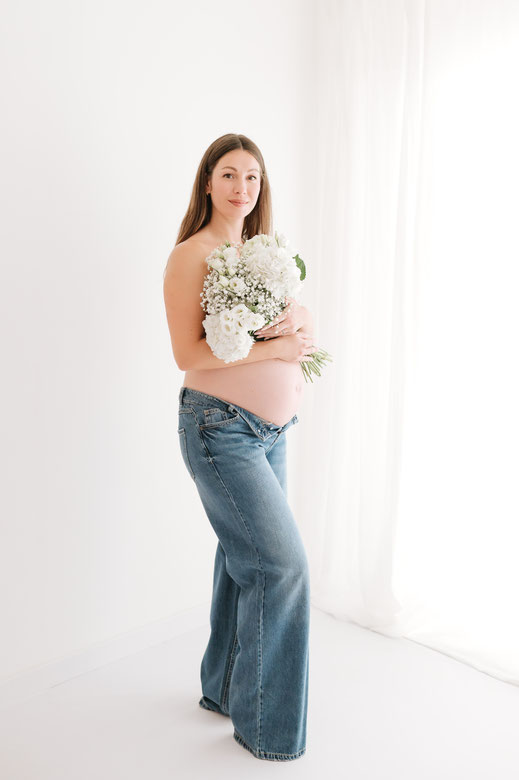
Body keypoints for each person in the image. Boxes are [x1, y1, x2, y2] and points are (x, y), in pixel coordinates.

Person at [163, 133, 317, 761]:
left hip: (270, 433)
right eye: (229, 175)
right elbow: (188, 353)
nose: (242, 188)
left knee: (242, 562)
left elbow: (301, 318)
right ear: (207, 182)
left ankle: (225, 691)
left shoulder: (260, 252)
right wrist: (274, 349)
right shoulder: (191, 255)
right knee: (282, 568)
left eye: (252, 178)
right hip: (219, 430)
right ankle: (268, 732)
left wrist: (297, 325)